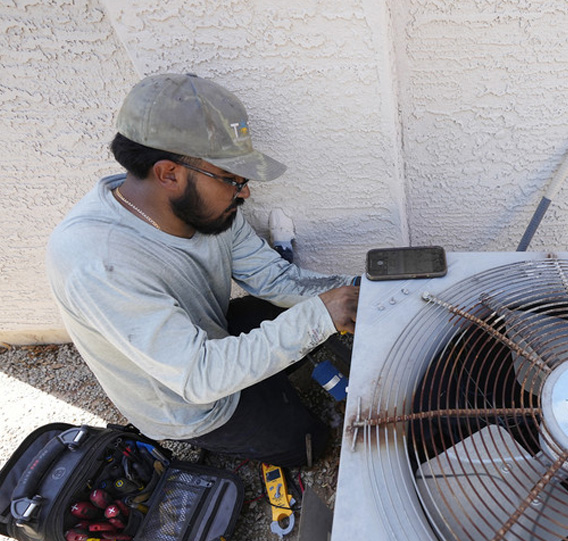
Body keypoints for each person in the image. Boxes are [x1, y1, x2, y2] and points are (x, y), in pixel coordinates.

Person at [46, 73, 360, 467]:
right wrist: (320, 316)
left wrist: (363, 290)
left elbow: (274, 278)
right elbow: (199, 377)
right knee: (311, 444)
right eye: (232, 178)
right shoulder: (97, 263)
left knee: (302, 317)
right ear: (169, 174)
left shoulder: (205, 208)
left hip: (209, 336)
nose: (244, 192)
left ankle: (265, 372)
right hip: (189, 399)